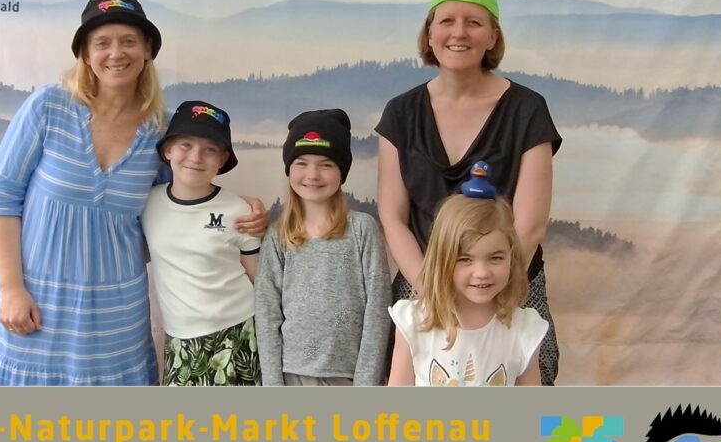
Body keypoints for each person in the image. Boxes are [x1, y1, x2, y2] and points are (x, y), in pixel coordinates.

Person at [0, 0, 266, 386]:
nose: (116, 53)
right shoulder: (48, 107)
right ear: (85, 53)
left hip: (115, 316)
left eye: (129, 41)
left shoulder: (161, 131)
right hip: (36, 302)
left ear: (147, 51)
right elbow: (2, 197)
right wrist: (12, 288)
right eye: (103, 43)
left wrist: (244, 207)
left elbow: (182, 204)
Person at [376, 0, 562, 384]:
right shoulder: (400, 113)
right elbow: (393, 217)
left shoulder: (527, 110)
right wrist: (434, 290)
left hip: (508, 282)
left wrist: (492, 284)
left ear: (492, 37)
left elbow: (530, 224)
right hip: (423, 285)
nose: (458, 33)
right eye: (447, 21)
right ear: (429, 34)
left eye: (474, 22)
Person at [254, 109, 392, 386]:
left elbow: (378, 308)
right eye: (301, 163)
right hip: (291, 376)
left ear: (342, 171)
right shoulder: (278, 236)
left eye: (326, 164)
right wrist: (273, 384)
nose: (313, 174)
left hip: (349, 376)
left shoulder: (362, 229)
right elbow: (267, 313)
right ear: (289, 169)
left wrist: (367, 382)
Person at [142, 100, 262, 386]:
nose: (195, 157)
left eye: (209, 149)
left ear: (222, 159)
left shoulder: (239, 210)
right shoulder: (147, 203)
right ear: (168, 150)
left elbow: (258, 278)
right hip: (179, 339)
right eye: (185, 145)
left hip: (239, 333)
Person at [387, 194, 547, 386]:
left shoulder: (524, 329)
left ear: (511, 259)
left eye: (495, 258)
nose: (482, 273)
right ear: (442, 261)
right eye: (465, 260)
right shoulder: (414, 322)